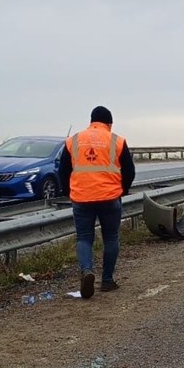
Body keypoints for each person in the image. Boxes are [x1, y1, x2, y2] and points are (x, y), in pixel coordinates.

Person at [59, 106, 136, 299]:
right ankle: (107, 281)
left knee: (84, 237)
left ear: (91, 121)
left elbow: (63, 171)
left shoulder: (73, 140)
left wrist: (70, 192)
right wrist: (123, 191)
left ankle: (87, 270)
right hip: (110, 197)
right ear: (109, 123)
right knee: (110, 238)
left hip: (81, 197)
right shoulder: (117, 140)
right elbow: (129, 170)